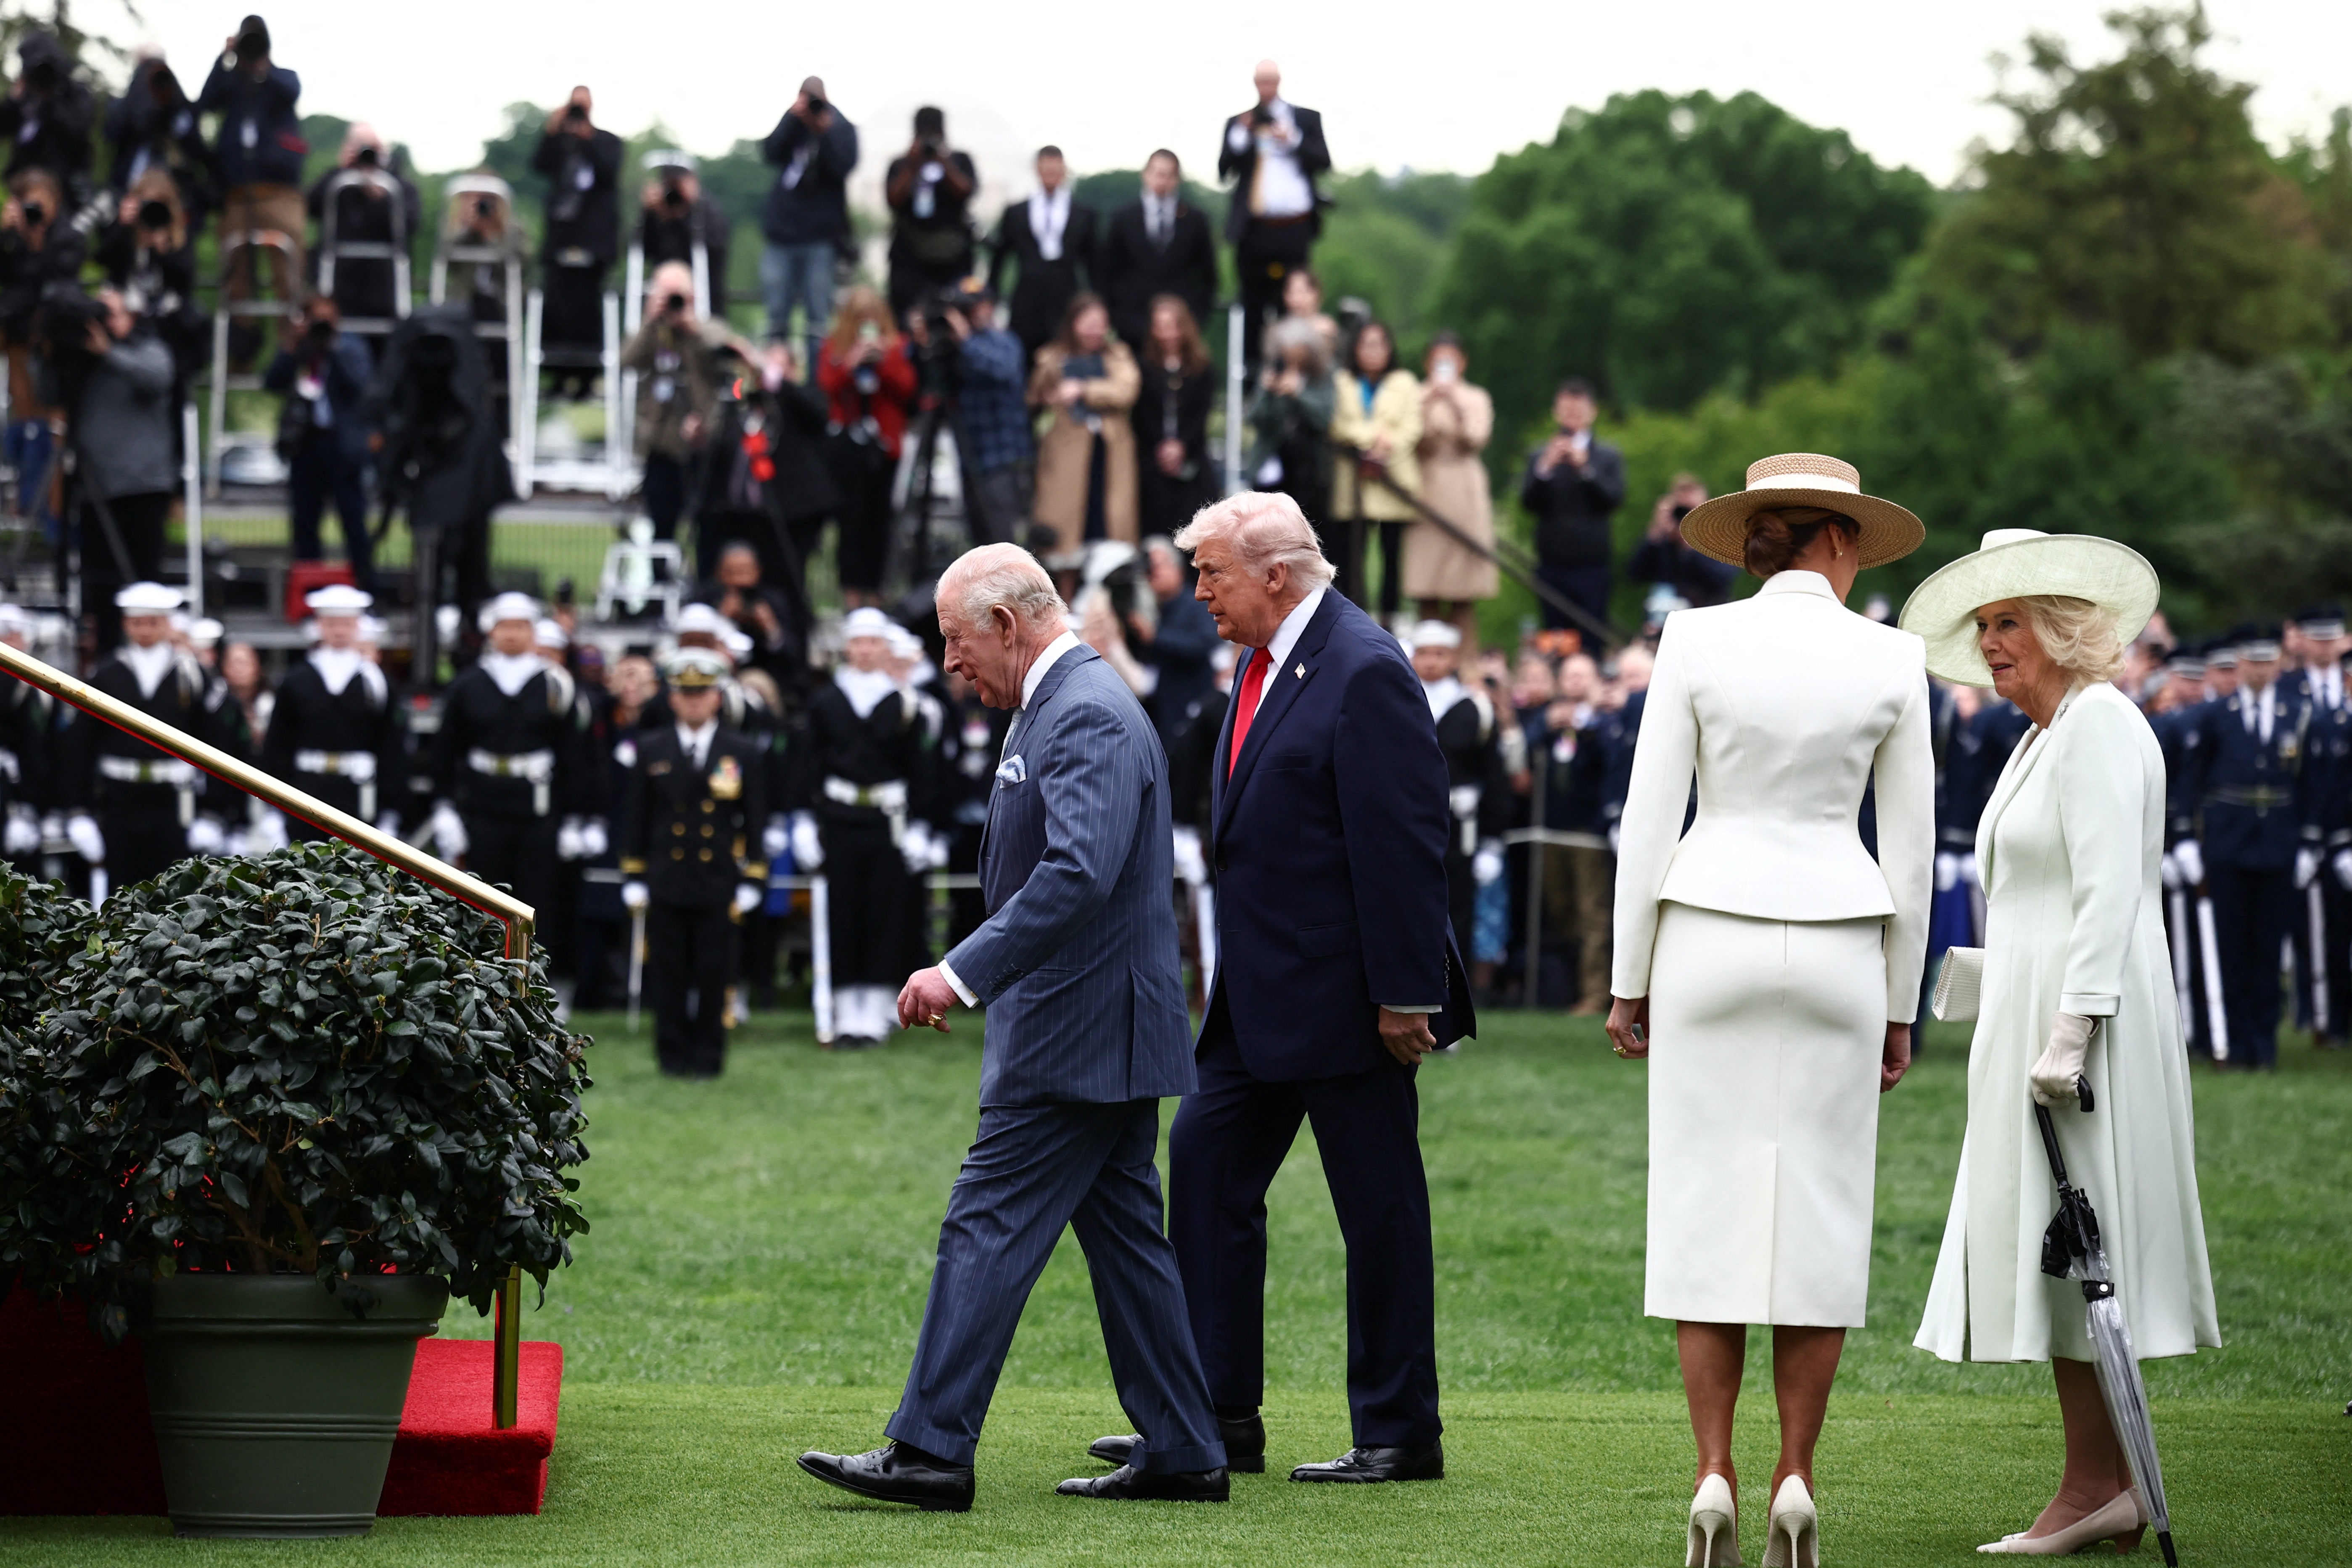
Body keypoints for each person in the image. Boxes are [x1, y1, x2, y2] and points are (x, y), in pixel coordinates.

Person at [799, 546, 1226, 1510]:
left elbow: (1075, 872)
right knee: (1125, 1239)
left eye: (955, 640)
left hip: (1076, 1029)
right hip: (1091, 1023)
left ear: (1006, 624)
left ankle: (930, 1447)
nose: (948, 662)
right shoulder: (1067, 702)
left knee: (985, 1219)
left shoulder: (1082, 709)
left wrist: (959, 972)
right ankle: (1185, 1443)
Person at [1605, 454, 1932, 1568]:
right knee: (1822, 1214)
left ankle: (1714, 1470)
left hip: (1707, 928)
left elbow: (1649, 817)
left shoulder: (1693, 640)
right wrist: (1900, 1004)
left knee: (1706, 1207)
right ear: (1835, 538)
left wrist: (1627, 976)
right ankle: (1796, 1472)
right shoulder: (1893, 654)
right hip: (1841, 932)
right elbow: (1914, 845)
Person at [1898, 530, 2220, 1555]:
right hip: (2038, 1019)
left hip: (2085, 1038)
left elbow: (2109, 894)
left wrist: (2071, 1029)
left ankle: (2097, 1488)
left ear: (2065, 629)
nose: (1991, 644)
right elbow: (2039, 896)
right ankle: (2105, 1483)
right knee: (2067, 1253)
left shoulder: (2100, 726)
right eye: (1985, 626)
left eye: (2010, 624)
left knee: (2085, 1252)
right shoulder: (2043, 733)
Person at [1142, 491, 1471, 1485]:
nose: (1199, 590)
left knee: (1376, 1209)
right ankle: (1215, 1414)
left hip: (1351, 996)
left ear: (1275, 572)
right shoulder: (1262, 659)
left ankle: (1400, 1429)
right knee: (1203, 1163)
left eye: (1212, 572)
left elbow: (1407, 840)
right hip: (1260, 994)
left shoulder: (1362, 665)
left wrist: (1409, 991)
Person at [618, 648, 767, 1077]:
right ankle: (671, 1056)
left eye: (702, 693)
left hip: (717, 877)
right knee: (668, 971)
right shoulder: (650, 749)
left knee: (712, 970)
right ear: (672, 699)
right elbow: (637, 817)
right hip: (667, 875)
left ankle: (707, 1058)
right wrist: (633, 872)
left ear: (717, 698)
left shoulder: (740, 751)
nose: (694, 701)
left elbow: (756, 819)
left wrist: (753, 877)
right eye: (685, 693)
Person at [785, 607, 930, 1045]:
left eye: (874, 643)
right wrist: (803, 821)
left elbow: (920, 769)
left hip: (887, 822)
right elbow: (806, 762)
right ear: (846, 647)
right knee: (844, 910)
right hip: (839, 819)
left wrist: (922, 826)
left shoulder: (905, 703)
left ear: (885, 648)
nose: (865, 651)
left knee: (885, 913)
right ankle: (846, 1009)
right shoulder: (825, 700)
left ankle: (876, 1008)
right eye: (858, 642)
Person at [2174, 624, 2310, 1070]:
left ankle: (2262, 1044)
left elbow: (2309, 784)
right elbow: (2191, 780)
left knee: (2267, 948)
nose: (2257, 669)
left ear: (2277, 664)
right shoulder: (2217, 715)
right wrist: (2184, 838)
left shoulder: (2297, 713)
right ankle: (2231, 1041)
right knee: (2230, 946)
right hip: (2227, 843)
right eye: (2249, 661)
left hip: (2278, 843)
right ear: (2239, 663)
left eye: (2266, 661)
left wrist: (2308, 841)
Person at [58, 582, 242, 895]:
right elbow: (79, 746)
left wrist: (214, 812)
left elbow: (218, 743)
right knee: (121, 895)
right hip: (119, 801)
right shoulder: (105, 674)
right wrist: (78, 811)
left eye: (154, 622)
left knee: (176, 897)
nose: (145, 629)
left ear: (168, 624)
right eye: (137, 622)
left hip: (175, 803)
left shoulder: (193, 674)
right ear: (126, 624)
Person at [424, 593, 591, 921]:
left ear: (534, 632)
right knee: (484, 900)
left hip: (538, 811)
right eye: (505, 626)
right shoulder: (468, 684)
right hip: (483, 808)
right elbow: (445, 750)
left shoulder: (556, 685)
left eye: (521, 626)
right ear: (492, 631)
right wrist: (444, 807)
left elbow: (575, 753)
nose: (512, 634)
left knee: (538, 900)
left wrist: (576, 818)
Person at [65, 287, 177, 653]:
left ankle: (148, 650)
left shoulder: (149, 348)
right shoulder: (82, 361)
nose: (102, 322)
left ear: (132, 316)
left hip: (142, 486)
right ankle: (107, 655)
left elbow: (158, 377)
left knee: (143, 582)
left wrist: (110, 351)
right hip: (96, 487)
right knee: (100, 585)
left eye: (109, 313)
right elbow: (48, 392)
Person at [256, 584, 404, 846]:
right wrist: (273, 809)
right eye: (332, 623)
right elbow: (278, 743)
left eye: (347, 623)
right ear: (319, 625)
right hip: (306, 793)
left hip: (359, 795)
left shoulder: (376, 681)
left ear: (358, 626)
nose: (339, 631)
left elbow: (391, 745)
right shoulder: (296, 679)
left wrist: (390, 810)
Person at [196, 16, 304, 367]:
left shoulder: (282, 79)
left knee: (288, 274)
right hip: (238, 196)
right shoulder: (233, 84)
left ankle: (294, 353)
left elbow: (291, 91)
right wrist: (224, 58)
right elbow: (205, 103)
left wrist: (262, 66)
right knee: (235, 276)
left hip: (280, 194)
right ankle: (241, 351)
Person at [694, 336, 838, 595]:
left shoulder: (804, 400)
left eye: (778, 366)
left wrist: (765, 368)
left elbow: (814, 415)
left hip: (791, 514)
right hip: (745, 515)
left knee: (786, 584)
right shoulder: (744, 409)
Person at [1409, 621, 1508, 978]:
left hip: (1459, 825)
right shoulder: (1398, 698)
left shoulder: (1474, 708)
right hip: (1404, 821)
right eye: (1424, 653)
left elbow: (1494, 774)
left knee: (1457, 906)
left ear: (1454, 658)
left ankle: (1457, 987)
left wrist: (1493, 841)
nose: (1432, 661)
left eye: (1440, 654)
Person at [1218, 61, 1330, 368]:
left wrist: (1291, 139)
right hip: (1255, 230)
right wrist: (1243, 134)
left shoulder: (1304, 119)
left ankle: (1294, 367)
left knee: (1293, 300)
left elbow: (1324, 161)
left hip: (1294, 229)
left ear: (1279, 82)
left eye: (1271, 81)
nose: (1266, 86)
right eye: (1261, 81)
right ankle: (1252, 374)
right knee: (1252, 302)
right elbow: (1224, 168)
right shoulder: (1240, 122)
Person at [264, 294, 377, 591]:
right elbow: (272, 382)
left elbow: (361, 386)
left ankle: (366, 590)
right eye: (317, 320)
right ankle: (309, 592)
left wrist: (332, 350)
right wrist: (292, 347)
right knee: (305, 525)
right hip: (306, 447)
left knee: (354, 523)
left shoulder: (351, 347)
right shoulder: (300, 350)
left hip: (342, 448)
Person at [816, 286, 917, 606]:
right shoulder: (833, 347)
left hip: (884, 448)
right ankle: (851, 592)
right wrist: (851, 362)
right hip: (849, 449)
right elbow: (826, 388)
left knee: (880, 519)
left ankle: (877, 592)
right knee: (851, 521)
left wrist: (883, 360)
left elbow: (908, 387)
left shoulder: (898, 346)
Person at [758, 78, 857, 367]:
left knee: (818, 318)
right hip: (782, 236)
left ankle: (818, 382)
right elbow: (770, 152)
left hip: (820, 237)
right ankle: (778, 382)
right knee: (777, 316)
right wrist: (793, 118)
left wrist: (823, 132)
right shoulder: (793, 123)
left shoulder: (839, 126)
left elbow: (843, 166)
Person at [1028, 294, 1139, 554]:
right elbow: (1036, 396)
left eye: (1100, 323)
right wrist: (1050, 385)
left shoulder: (1118, 355)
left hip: (1109, 449)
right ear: (1072, 324)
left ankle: (1108, 579)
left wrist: (1083, 389)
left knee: (1109, 519)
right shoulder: (1052, 356)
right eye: (1087, 322)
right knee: (1064, 528)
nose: (1094, 330)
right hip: (1066, 451)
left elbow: (1126, 390)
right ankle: (1063, 584)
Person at [530, 87, 623, 392]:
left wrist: (588, 137)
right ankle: (556, 374)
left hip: (593, 243)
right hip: (560, 239)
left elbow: (610, 172)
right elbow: (539, 165)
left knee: (587, 308)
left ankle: (587, 376)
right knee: (556, 306)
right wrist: (553, 129)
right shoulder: (560, 143)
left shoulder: (607, 142)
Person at [1329, 318, 1422, 619]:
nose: (1373, 351)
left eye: (1380, 344)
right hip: (1352, 481)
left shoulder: (1405, 382)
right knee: (1352, 557)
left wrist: (1386, 446)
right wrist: (1372, 437)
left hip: (1392, 477)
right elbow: (1338, 425)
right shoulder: (1342, 381)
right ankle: (1356, 619)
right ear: (1355, 349)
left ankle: (1390, 621)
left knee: (1392, 556)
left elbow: (1412, 426)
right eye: (1366, 344)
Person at [1408, 333, 1496, 648]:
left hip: (1464, 489)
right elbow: (1412, 439)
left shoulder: (1476, 397)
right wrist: (1428, 403)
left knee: (1464, 591)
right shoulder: (1416, 396)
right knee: (1427, 588)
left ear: (1462, 363)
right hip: (1426, 487)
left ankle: (1467, 662)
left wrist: (1456, 405)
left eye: (1451, 360)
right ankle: (1425, 665)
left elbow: (1477, 437)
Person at [620, 261, 718, 544]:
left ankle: (703, 585)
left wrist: (693, 330)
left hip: (702, 445)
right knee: (661, 523)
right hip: (662, 444)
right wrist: (652, 320)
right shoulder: (653, 333)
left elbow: (727, 356)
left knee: (707, 524)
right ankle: (661, 581)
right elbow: (627, 360)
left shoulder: (705, 331)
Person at [1520, 379, 1626, 633]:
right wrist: (1545, 469)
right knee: (1554, 637)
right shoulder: (1540, 456)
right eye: (1567, 412)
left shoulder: (1607, 456)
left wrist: (1586, 471)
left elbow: (1613, 500)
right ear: (1556, 412)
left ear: (1592, 412)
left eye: (1578, 412)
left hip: (1592, 562)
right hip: (1551, 561)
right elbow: (1528, 503)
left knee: (1592, 633)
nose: (1572, 418)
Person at [2286, 605, 2347, 1047]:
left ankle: (2337, 1014)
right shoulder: (2289, 690)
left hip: (2342, 824)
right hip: (2298, 823)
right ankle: (2311, 1009)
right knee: (2304, 927)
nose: (2325, 647)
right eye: (2317, 638)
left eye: (2332, 638)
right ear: (2301, 641)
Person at [304, 123, 420, 343]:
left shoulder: (399, 187)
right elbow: (310, 206)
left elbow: (411, 224)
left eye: (373, 148)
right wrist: (341, 171)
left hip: (384, 294)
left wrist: (382, 197)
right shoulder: (338, 184)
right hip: (339, 296)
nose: (367, 155)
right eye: (361, 147)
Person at [1097, 150, 1218, 353]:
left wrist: (1195, 318)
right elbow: (1108, 271)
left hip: (1180, 326)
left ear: (1177, 179)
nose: (1162, 181)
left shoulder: (1195, 220)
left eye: (1168, 175)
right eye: (1157, 173)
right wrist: (1118, 316)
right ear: (1145, 174)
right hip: (1132, 322)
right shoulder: (1123, 218)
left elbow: (1208, 275)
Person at [938, 286, 1033, 547]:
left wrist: (966, 339)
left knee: (1002, 536)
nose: (975, 311)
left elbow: (1003, 368)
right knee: (977, 537)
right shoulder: (952, 344)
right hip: (970, 455)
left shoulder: (1003, 341)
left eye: (979, 304)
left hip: (1001, 458)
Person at [989, 146, 1096, 366]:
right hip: (1027, 298)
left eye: (1056, 171)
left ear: (1064, 171)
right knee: (1024, 358)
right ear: (1037, 170)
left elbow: (1094, 262)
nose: (1051, 176)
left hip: (1066, 295)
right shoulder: (1016, 212)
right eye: (1046, 170)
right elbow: (1000, 258)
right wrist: (992, 298)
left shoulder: (1083, 214)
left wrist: (1097, 302)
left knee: (1068, 358)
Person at [1133, 296, 1219, 539]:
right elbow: (1143, 416)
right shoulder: (1144, 367)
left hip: (1193, 458)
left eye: (1172, 325)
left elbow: (1201, 415)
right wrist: (1162, 448)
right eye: (1160, 326)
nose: (1166, 333)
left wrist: (1181, 445)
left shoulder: (1201, 368)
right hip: (1152, 460)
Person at [883, 107, 977, 323]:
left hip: (953, 258)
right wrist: (912, 164)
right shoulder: (901, 165)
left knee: (956, 316)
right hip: (909, 259)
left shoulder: (960, 161)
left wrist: (943, 161)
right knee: (907, 319)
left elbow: (966, 191)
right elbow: (893, 199)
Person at [1129, 535, 1220, 756]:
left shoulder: (1196, 603)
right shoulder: (1150, 608)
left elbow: (1203, 644)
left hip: (1189, 706)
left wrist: (1155, 637)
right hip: (1159, 708)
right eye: (1148, 568)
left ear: (1176, 569)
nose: (1152, 574)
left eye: (1157, 567)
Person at [105, 51, 212, 230]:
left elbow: (196, 148)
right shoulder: (127, 109)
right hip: (129, 196)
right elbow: (112, 132)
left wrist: (172, 101)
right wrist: (138, 90)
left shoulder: (180, 110)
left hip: (174, 201)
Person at [1245, 317, 1333, 529]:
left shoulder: (1322, 375)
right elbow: (1253, 418)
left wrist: (1298, 394)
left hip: (1310, 470)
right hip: (1273, 465)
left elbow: (1324, 419)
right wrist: (1266, 392)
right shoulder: (1273, 369)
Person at [2, 30, 95, 200]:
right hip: (22, 185)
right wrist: (13, 100)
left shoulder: (75, 94)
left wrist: (52, 98)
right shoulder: (26, 97)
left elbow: (78, 131)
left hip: (62, 191)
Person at [635, 152, 730, 317]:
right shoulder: (658, 213)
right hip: (664, 301)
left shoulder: (706, 211)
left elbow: (716, 245)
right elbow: (643, 249)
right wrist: (650, 214)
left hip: (704, 304)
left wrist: (688, 213)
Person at [1630, 473, 1738, 611]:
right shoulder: (1665, 541)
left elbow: (1722, 578)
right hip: (1665, 613)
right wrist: (1656, 532)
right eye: (1682, 511)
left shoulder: (1719, 537)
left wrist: (1690, 545)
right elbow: (1635, 574)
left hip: (1708, 610)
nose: (1685, 518)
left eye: (1691, 511)